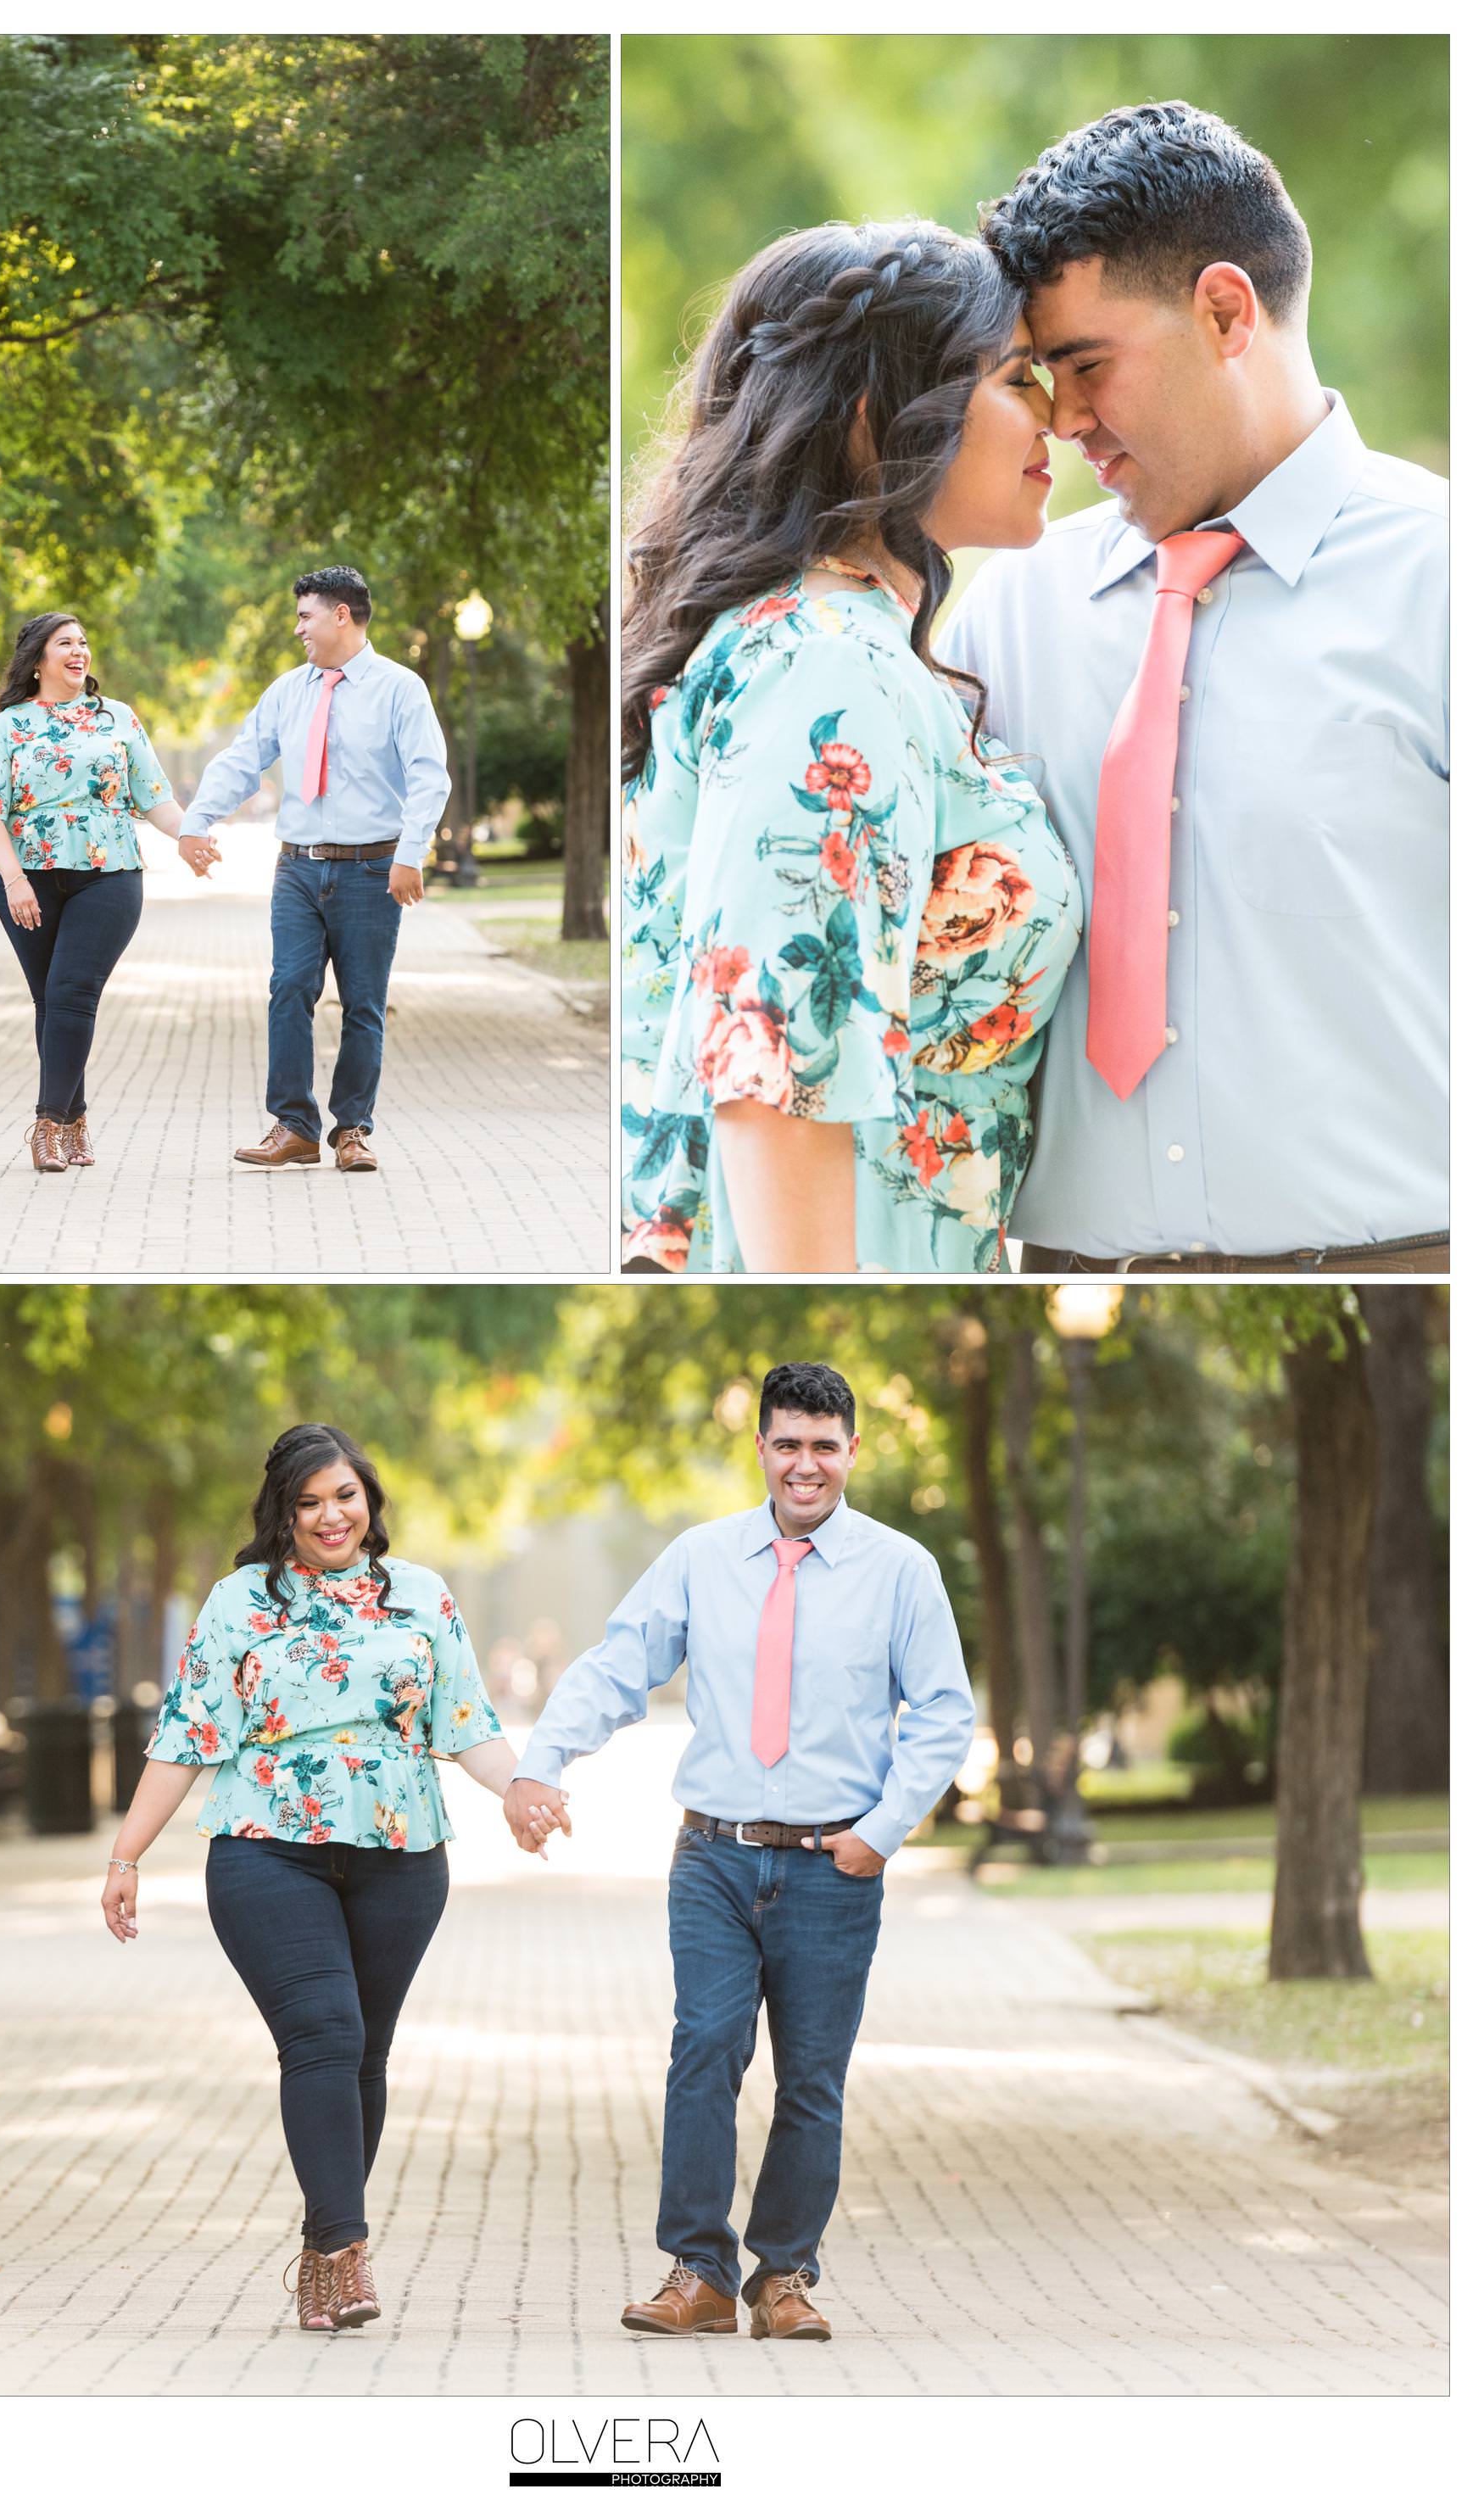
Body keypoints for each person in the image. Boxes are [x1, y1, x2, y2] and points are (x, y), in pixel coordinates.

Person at [940, 102, 1448, 1274]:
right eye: (1035, 374)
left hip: (1404, 1273)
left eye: (1083, 365)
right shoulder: (1008, 614)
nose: (1061, 422)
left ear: (1225, 311)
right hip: (1063, 1277)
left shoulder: (1444, 583)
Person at [621, 218, 1082, 1275]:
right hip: (839, 1249)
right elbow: (771, 1062)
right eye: (1022, 381)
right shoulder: (829, 663)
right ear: (879, 413)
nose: (1061, 420)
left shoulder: (827, 641)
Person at [505, 1362, 974, 2342]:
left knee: (810, 2076)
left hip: (830, 1864)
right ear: (759, 1447)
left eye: (823, 1444)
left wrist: (877, 1834)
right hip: (713, 1856)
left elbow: (940, 1714)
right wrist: (539, 1761)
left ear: (851, 1450)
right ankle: (698, 2271)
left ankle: (784, 2277)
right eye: (787, 1442)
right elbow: (620, 1661)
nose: (805, 1463)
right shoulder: (701, 1557)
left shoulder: (900, 1570)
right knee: (704, 2048)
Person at [102, 1424, 562, 2335]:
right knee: (323, 2029)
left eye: (343, 1495)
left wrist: (518, 1789)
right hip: (266, 1848)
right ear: (282, 1512)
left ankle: (320, 2250)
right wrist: (126, 1855)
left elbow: (463, 1719)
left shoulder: (421, 1596)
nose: (329, 1515)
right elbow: (188, 1734)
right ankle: (349, 2253)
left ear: (368, 1499)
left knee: (363, 2052)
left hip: (401, 1853)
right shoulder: (240, 1601)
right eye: (308, 1500)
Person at [176, 566, 452, 1175]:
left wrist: (411, 853)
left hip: (371, 870)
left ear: (341, 616)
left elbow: (430, 774)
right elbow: (244, 758)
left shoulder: (400, 688)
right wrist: (198, 821)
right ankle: (295, 1127)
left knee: (363, 1005)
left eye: (305, 615)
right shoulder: (288, 691)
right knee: (289, 987)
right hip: (297, 870)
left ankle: (351, 1130)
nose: (297, 628)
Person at [0, 611, 219, 1173]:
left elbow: (154, 796)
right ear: (38, 659)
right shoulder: (10, 726)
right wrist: (12, 879)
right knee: (51, 1002)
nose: (79, 652)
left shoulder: (117, 719)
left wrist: (190, 835)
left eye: (83, 643)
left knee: (74, 990)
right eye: (65, 643)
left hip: (110, 874)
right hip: (27, 880)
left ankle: (47, 1124)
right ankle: (75, 1118)